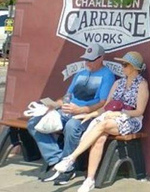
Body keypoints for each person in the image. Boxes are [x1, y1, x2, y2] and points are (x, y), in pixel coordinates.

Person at [55, 51, 149, 192]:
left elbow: (139, 111)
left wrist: (119, 113)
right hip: (111, 117)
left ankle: (71, 158)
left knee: (102, 124)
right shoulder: (118, 83)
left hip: (131, 120)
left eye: (125, 64)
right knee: (99, 138)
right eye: (122, 64)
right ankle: (90, 180)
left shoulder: (142, 85)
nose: (122, 67)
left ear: (134, 67)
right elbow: (106, 107)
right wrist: (89, 114)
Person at [28, 43, 115, 185]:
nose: (88, 62)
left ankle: (68, 169)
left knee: (72, 126)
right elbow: (67, 96)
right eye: (86, 59)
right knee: (34, 122)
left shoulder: (107, 75)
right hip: (67, 110)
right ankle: (56, 161)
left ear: (100, 58)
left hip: (88, 114)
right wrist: (54, 104)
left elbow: (103, 102)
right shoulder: (80, 73)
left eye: (91, 59)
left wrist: (81, 110)